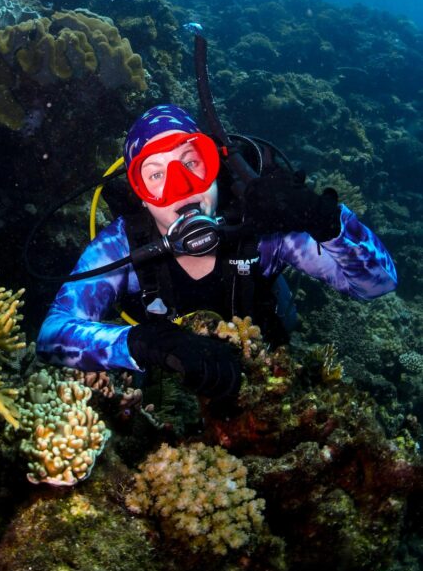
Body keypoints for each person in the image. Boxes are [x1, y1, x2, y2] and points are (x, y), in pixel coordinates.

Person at [36, 104, 397, 402]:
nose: (182, 189)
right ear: (140, 195)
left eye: (192, 163)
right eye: (156, 175)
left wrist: (327, 219)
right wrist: (146, 344)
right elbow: (52, 334)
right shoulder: (120, 248)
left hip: (268, 379)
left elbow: (377, 285)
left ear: (215, 167)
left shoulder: (264, 232)